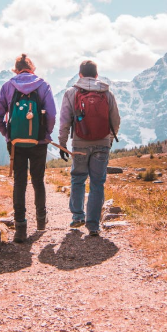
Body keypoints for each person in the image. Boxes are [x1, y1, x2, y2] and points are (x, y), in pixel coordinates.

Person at [0, 54, 56, 243]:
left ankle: (20, 227)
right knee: (38, 180)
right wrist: (45, 134)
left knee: (19, 182)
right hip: (39, 143)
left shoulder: (7, 86)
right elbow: (51, 114)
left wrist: (8, 135)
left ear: (16, 69)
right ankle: (41, 222)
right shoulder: (43, 85)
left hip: (16, 143)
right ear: (32, 69)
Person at [58, 60, 120, 236]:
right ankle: (93, 225)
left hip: (79, 144)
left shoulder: (72, 92)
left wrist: (62, 143)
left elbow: (65, 121)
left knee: (78, 178)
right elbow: (115, 120)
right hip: (101, 143)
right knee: (97, 183)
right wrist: (108, 140)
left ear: (80, 75)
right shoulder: (107, 93)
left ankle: (78, 216)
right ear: (96, 75)